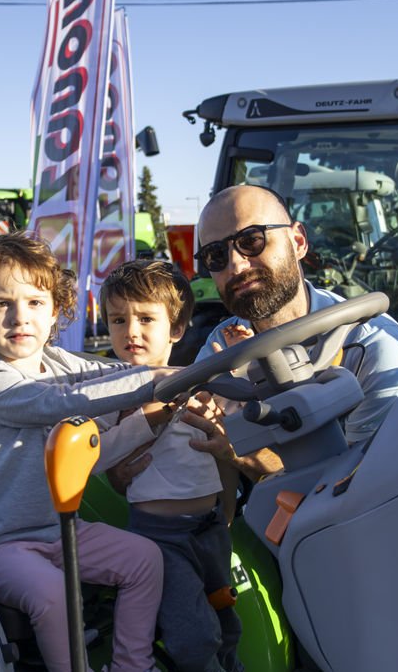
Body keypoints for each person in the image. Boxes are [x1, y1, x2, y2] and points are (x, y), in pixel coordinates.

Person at [0, 233, 174, 672]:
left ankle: (131, 665)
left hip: (59, 532)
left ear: (55, 312)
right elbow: (64, 403)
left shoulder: (56, 361)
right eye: (0, 305)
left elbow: (106, 373)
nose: (20, 317)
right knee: (55, 591)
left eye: (35, 303)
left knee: (145, 559)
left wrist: (179, 372)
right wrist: (155, 380)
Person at [118, 184, 398, 483]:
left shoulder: (372, 345)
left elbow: (364, 487)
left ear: (298, 241)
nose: (235, 264)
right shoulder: (223, 344)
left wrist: (238, 451)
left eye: (251, 240)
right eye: (215, 255)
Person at [99, 260, 242, 672]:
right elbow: (96, 458)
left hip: (211, 526)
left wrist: (237, 361)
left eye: (146, 318)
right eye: (118, 320)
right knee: (193, 636)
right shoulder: (111, 393)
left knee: (225, 619)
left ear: (176, 328)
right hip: (160, 538)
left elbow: (236, 418)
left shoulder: (195, 380)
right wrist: (141, 420)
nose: (131, 331)